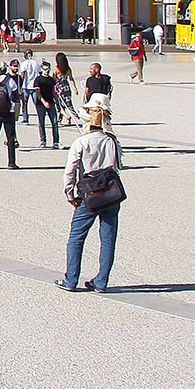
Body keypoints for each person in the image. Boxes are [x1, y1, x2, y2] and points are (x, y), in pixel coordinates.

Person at [58, 98, 123, 293]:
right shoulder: (112, 141)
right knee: (108, 239)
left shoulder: (81, 142)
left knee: (76, 237)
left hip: (89, 194)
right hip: (111, 194)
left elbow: (70, 171)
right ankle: (101, 281)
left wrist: (70, 193)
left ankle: (71, 278)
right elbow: (119, 165)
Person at [0, 60, 21, 169]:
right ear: (5, 69)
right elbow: (15, 95)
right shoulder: (9, 80)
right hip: (8, 112)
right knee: (10, 137)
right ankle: (11, 163)